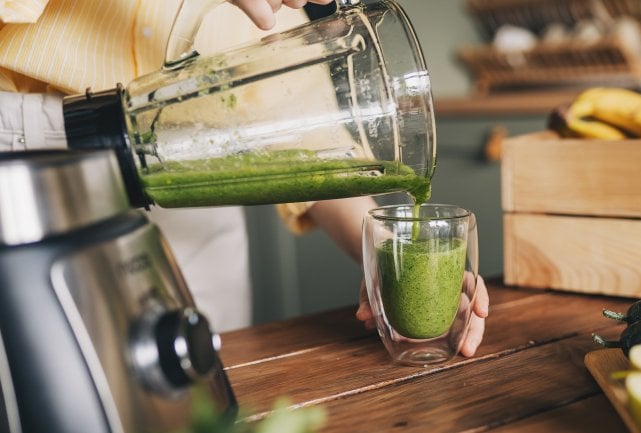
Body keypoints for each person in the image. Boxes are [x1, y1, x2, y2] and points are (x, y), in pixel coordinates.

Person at [0, 0, 488, 358]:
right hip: (37, 159)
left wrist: (384, 257)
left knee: (205, 400)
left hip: (200, 185)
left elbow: (311, 146)